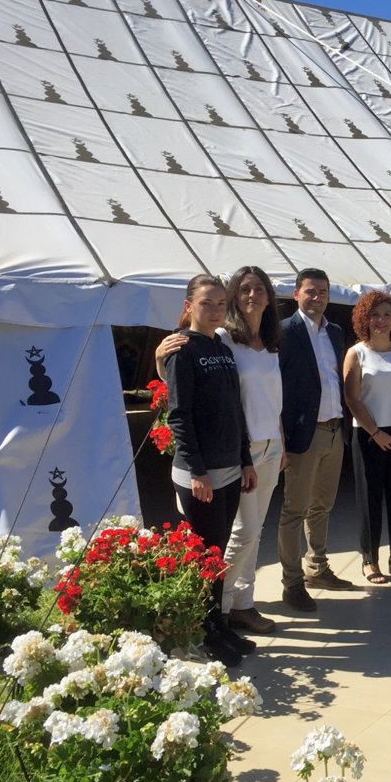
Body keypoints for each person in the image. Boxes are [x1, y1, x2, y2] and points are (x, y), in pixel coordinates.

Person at [156, 267, 286, 635]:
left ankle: (242, 604)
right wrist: (159, 355)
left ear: (268, 296)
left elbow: (268, 397)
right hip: (230, 453)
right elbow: (178, 387)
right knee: (238, 535)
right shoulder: (223, 337)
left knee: (253, 532)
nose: (252, 295)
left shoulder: (270, 342)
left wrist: (281, 440)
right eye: (244, 289)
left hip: (265, 447)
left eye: (258, 289)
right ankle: (219, 610)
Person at [163, 274, 258, 666]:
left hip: (230, 467)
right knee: (204, 556)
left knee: (217, 555)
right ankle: (200, 634)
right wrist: (197, 471)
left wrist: (246, 459)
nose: (216, 310)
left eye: (221, 303)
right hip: (200, 474)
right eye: (207, 303)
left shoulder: (221, 347)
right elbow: (179, 416)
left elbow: (235, 408)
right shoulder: (181, 350)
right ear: (189, 306)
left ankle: (218, 625)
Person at [277, 268, 355, 611]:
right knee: (294, 509)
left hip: (335, 429)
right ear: (296, 294)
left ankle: (317, 567)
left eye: (322, 292)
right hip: (303, 432)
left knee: (322, 505)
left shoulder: (335, 332)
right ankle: (292, 582)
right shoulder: (284, 332)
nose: (317, 297)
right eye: (310, 291)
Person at [343, 291, 391, 583]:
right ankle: (369, 559)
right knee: (369, 499)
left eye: (387, 315)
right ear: (365, 318)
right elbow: (352, 399)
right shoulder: (357, 353)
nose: (381, 320)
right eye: (375, 315)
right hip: (368, 434)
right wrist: (375, 432)